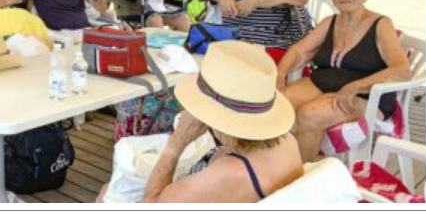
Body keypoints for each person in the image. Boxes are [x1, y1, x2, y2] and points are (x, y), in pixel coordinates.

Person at [99, 41, 303, 202]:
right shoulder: (287, 142)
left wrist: (176, 144)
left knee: (107, 193)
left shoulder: (228, 173)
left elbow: (151, 205)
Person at [277, 0, 411, 162]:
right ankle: (280, 166)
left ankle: (303, 177)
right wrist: (280, 74)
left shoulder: (381, 24)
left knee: (310, 115)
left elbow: (402, 70)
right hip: (324, 83)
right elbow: (298, 51)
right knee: (279, 105)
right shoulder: (329, 22)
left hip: (366, 95)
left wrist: (355, 87)